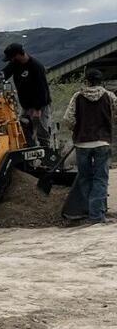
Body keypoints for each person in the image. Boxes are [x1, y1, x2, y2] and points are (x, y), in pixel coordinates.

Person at [62, 68, 116, 225]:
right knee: (100, 178)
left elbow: (67, 120)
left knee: (85, 178)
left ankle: (87, 212)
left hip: (82, 143)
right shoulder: (109, 96)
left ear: (86, 81)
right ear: (101, 81)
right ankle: (97, 215)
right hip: (102, 142)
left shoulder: (77, 96)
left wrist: (77, 130)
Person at [1, 42, 52, 150]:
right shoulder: (15, 64)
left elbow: (42, 90)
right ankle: (31, 151)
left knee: (41, 130)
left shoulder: (36, 66)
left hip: (40, 105)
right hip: (26, 105)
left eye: (11, 57)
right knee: (23, 126)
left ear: (18, 55)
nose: (10, 60)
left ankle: (47, 155)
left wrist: (37, 109)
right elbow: (5, 72)